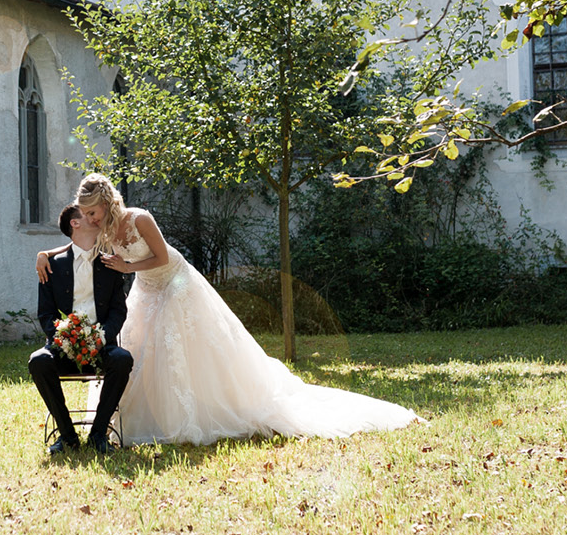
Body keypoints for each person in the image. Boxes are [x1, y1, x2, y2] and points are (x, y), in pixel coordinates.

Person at [36, 174, 422, 446]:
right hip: (146, 292)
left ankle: (201, 413)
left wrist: (128, 268)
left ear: (106, 203)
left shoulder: (139, 219)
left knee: (186, 355)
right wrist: (46, 254)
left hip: (174, 285)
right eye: (84, 215)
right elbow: (79, 248)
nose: (88, 220)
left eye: (92, 212)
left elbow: (163, 258)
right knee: (144, 357)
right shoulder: (100, 230)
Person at [28, 203, 134, 455]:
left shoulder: (111, 263)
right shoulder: (51, 266)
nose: (95, 218)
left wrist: (101, 337)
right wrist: (63, 339)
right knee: (38, 361)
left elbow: (119, 310)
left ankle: (98, 434)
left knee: (122, 360)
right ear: (75, 223)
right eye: (88, 215)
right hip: (63, 348)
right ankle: (67, 436)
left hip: (102, 348)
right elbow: (46, 314)